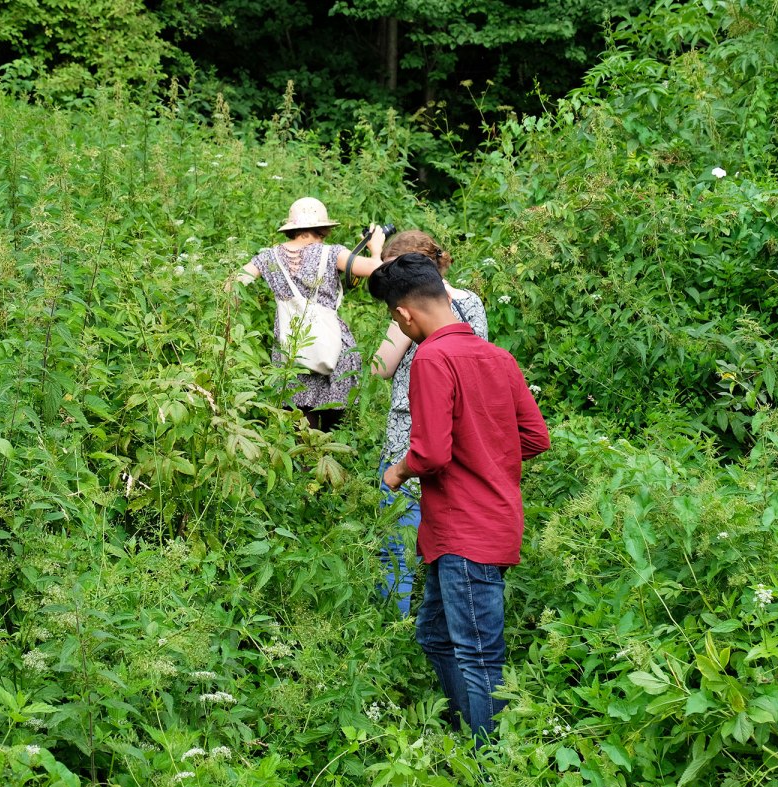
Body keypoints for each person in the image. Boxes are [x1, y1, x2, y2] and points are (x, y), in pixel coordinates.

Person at [372, 253, 550, 745]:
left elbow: (429, 453)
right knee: (434, 635)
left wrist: (396, 471)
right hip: (493, 519)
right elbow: (534, 437)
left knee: (477, 653)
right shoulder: (497, 357)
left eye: (394, 318)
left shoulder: (431, 356)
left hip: (463, 528)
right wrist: (487, 454)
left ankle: (491, 764)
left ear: (404, 315)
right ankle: (465, 732)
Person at [371, 232, 488, 617]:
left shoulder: (408, 309)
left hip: (409, 439)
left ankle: (393, 624)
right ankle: (438, 620)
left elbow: (382, 367)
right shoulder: (470, 302)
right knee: (446, 543)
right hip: (459, 438)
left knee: (398, 547)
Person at [234, 197, 385, 431]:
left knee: (300, 433)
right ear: (323, 228)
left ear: (292, 229)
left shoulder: (267, 258)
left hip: (292, 352)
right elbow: (377, 270)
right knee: (333, 434)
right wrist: (376, 249)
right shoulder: (333, 254)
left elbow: (232, 285)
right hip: (331, 349)